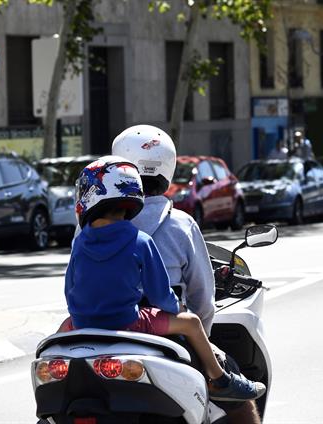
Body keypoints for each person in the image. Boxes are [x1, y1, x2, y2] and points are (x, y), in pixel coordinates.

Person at [60, 155, 266, 403]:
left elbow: (69, 291)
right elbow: (160, 294)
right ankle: (220, 379)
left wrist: (82, 317)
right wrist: (178, 308)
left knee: (57, 338)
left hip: (83, 322)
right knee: (191, 323)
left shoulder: (80, 241)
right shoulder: (140, 240)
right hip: (130, 322)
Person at [112, 125, 263, 423]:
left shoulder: (91, 223)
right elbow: (202, 300)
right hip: (160, 334)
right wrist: (202, 340)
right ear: (168, 168)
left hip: (97, 330)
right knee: (241, 404)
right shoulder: (180, 224)